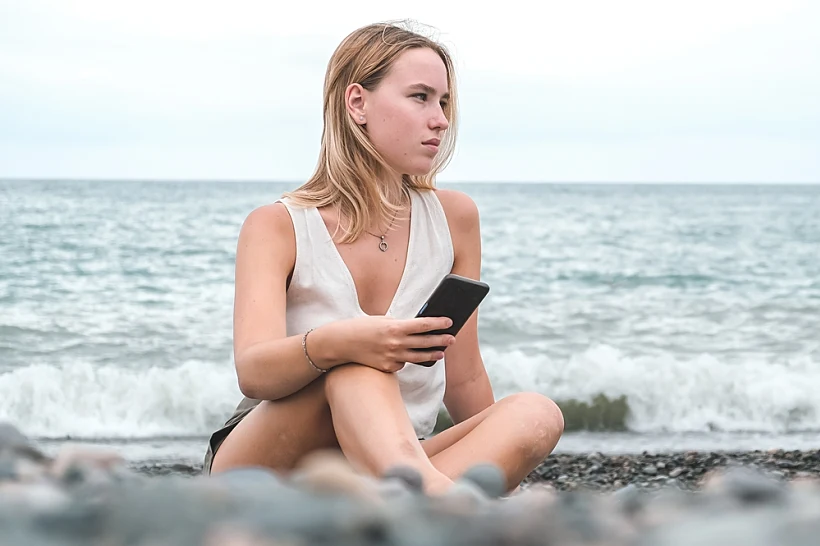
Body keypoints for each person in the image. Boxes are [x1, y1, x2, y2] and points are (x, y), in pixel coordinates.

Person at [203, 21, 564, 496]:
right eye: (420, 97)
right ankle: (440, 503)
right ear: (357, 103)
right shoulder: (277, 225)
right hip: (270, 463)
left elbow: (465, 375)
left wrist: (498, 461)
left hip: (396, 459)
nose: (440, 120)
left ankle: (412, 501)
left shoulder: (456, 219)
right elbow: (254, 371)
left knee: (537, 413)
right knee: (357, 364)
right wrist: (341, 341)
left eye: (443, 102)